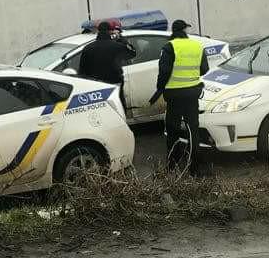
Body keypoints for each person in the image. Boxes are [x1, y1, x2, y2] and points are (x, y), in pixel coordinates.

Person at [150, 18, 209, 172]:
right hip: (192, 93)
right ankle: (194, 167)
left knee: (173, 129)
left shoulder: (169, 46)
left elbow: (164, 71)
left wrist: (160, 87)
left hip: (174, 95)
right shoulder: (197, 45)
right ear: (185, 30)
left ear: (173, 31)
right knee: (192, 129)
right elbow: (204, 69)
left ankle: (173, 164)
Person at [78, 20, 137, 109]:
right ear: (110, 31)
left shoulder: (88, 48)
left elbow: (82, 70)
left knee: (100, 107)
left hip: (95, 85)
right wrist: (121, 39)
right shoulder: (117, 46)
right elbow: (133, 53)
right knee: (118, 105)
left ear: (98, 31)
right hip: (115, 82)